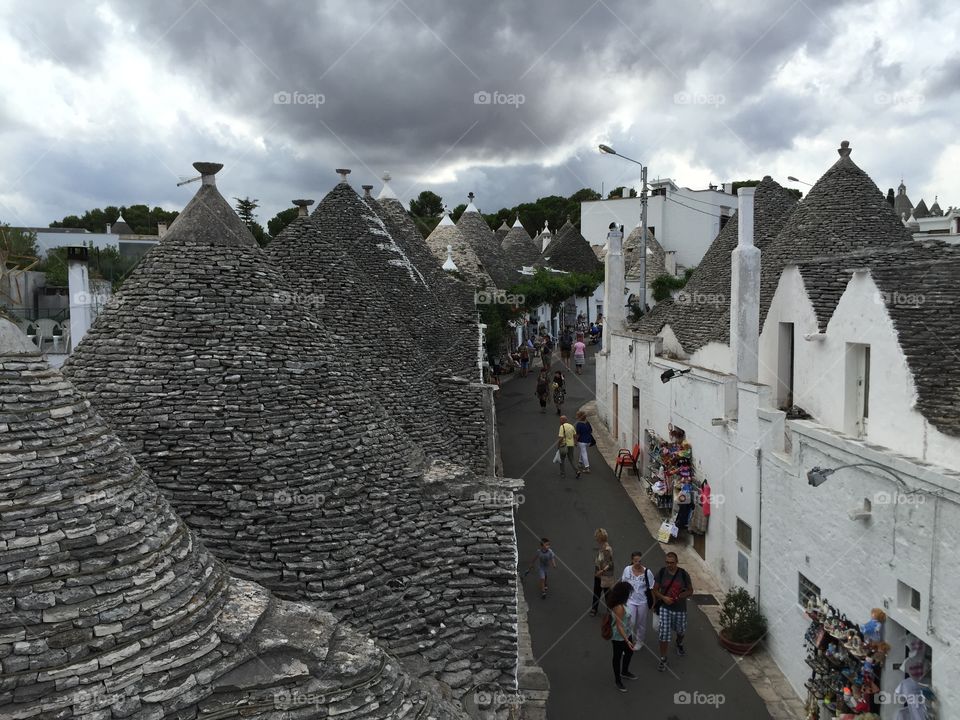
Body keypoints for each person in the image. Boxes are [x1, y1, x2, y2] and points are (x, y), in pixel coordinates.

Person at [653, 552, 694, 671]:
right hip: (665, 608)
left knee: (681, 630)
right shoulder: (662, 572)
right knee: (664, 633)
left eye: (672, 562)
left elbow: (691, 591)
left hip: (680, 609)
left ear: (677, 562)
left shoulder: (683, 574)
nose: (669, 565)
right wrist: (664, 598)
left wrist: (680, 596)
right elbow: (655, 590)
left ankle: (679, 643)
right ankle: (663, 658)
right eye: (667, 562)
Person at [606, 580, 637, 692]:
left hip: (626, 633)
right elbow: (619, 626)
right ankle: (618, 680)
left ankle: (624, 671)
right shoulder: (619, 607)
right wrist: (627, 640)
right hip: (619, 637)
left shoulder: (622, 603)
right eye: (628, 592)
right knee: (617, 657)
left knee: (629, 652)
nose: (629, 594)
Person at [621, 551, 655, 653]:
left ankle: (640, 641)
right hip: (630, 601)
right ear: (632, 560)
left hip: (642, 602)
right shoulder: (627, 570)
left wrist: (653, 602)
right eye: (636, 561)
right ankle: (627, 642)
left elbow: (652, 588)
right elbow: (623, 586)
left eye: (639, 561)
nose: (638, 563)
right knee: (630, 622)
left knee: (641, 623)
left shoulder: (647, 572)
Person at [590, 528, 614, 616]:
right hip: (599, 574)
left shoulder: (607, 549)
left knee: (607, 593)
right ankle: (594, 608)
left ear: (600, 538)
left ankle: (610, 610)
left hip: (605, 575)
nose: (595, 538)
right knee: (596, 591)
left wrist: (602, 571)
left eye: (596, 537)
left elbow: (610, 563)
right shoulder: (602, 547)